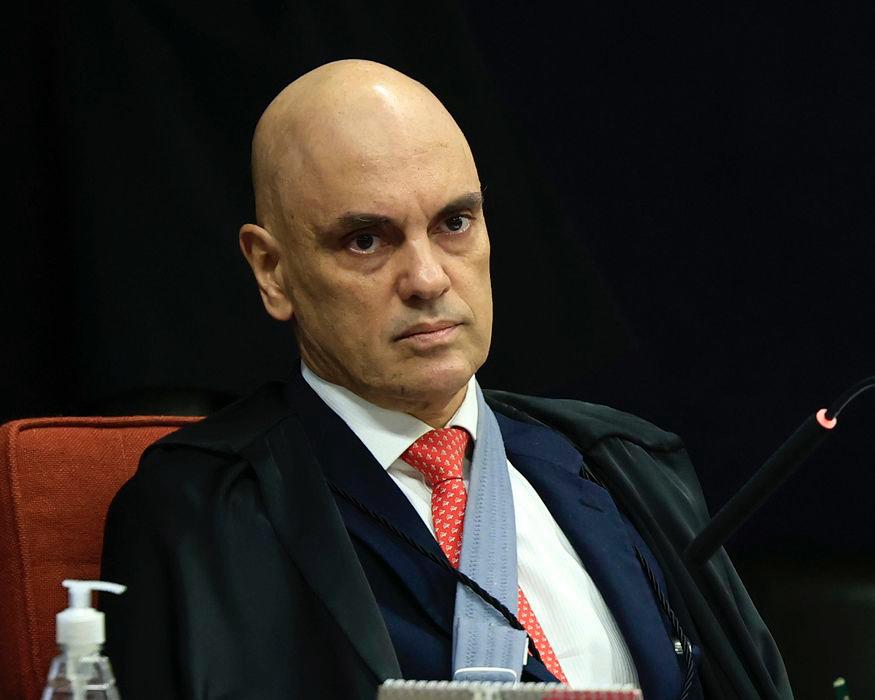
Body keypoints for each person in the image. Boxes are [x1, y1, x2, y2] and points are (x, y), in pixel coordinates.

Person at [100, 60, 792, 700]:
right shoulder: (201, 513)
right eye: (366, 240)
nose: (428, 279)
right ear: (272, 270)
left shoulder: (625, 464)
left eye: (453, 223)